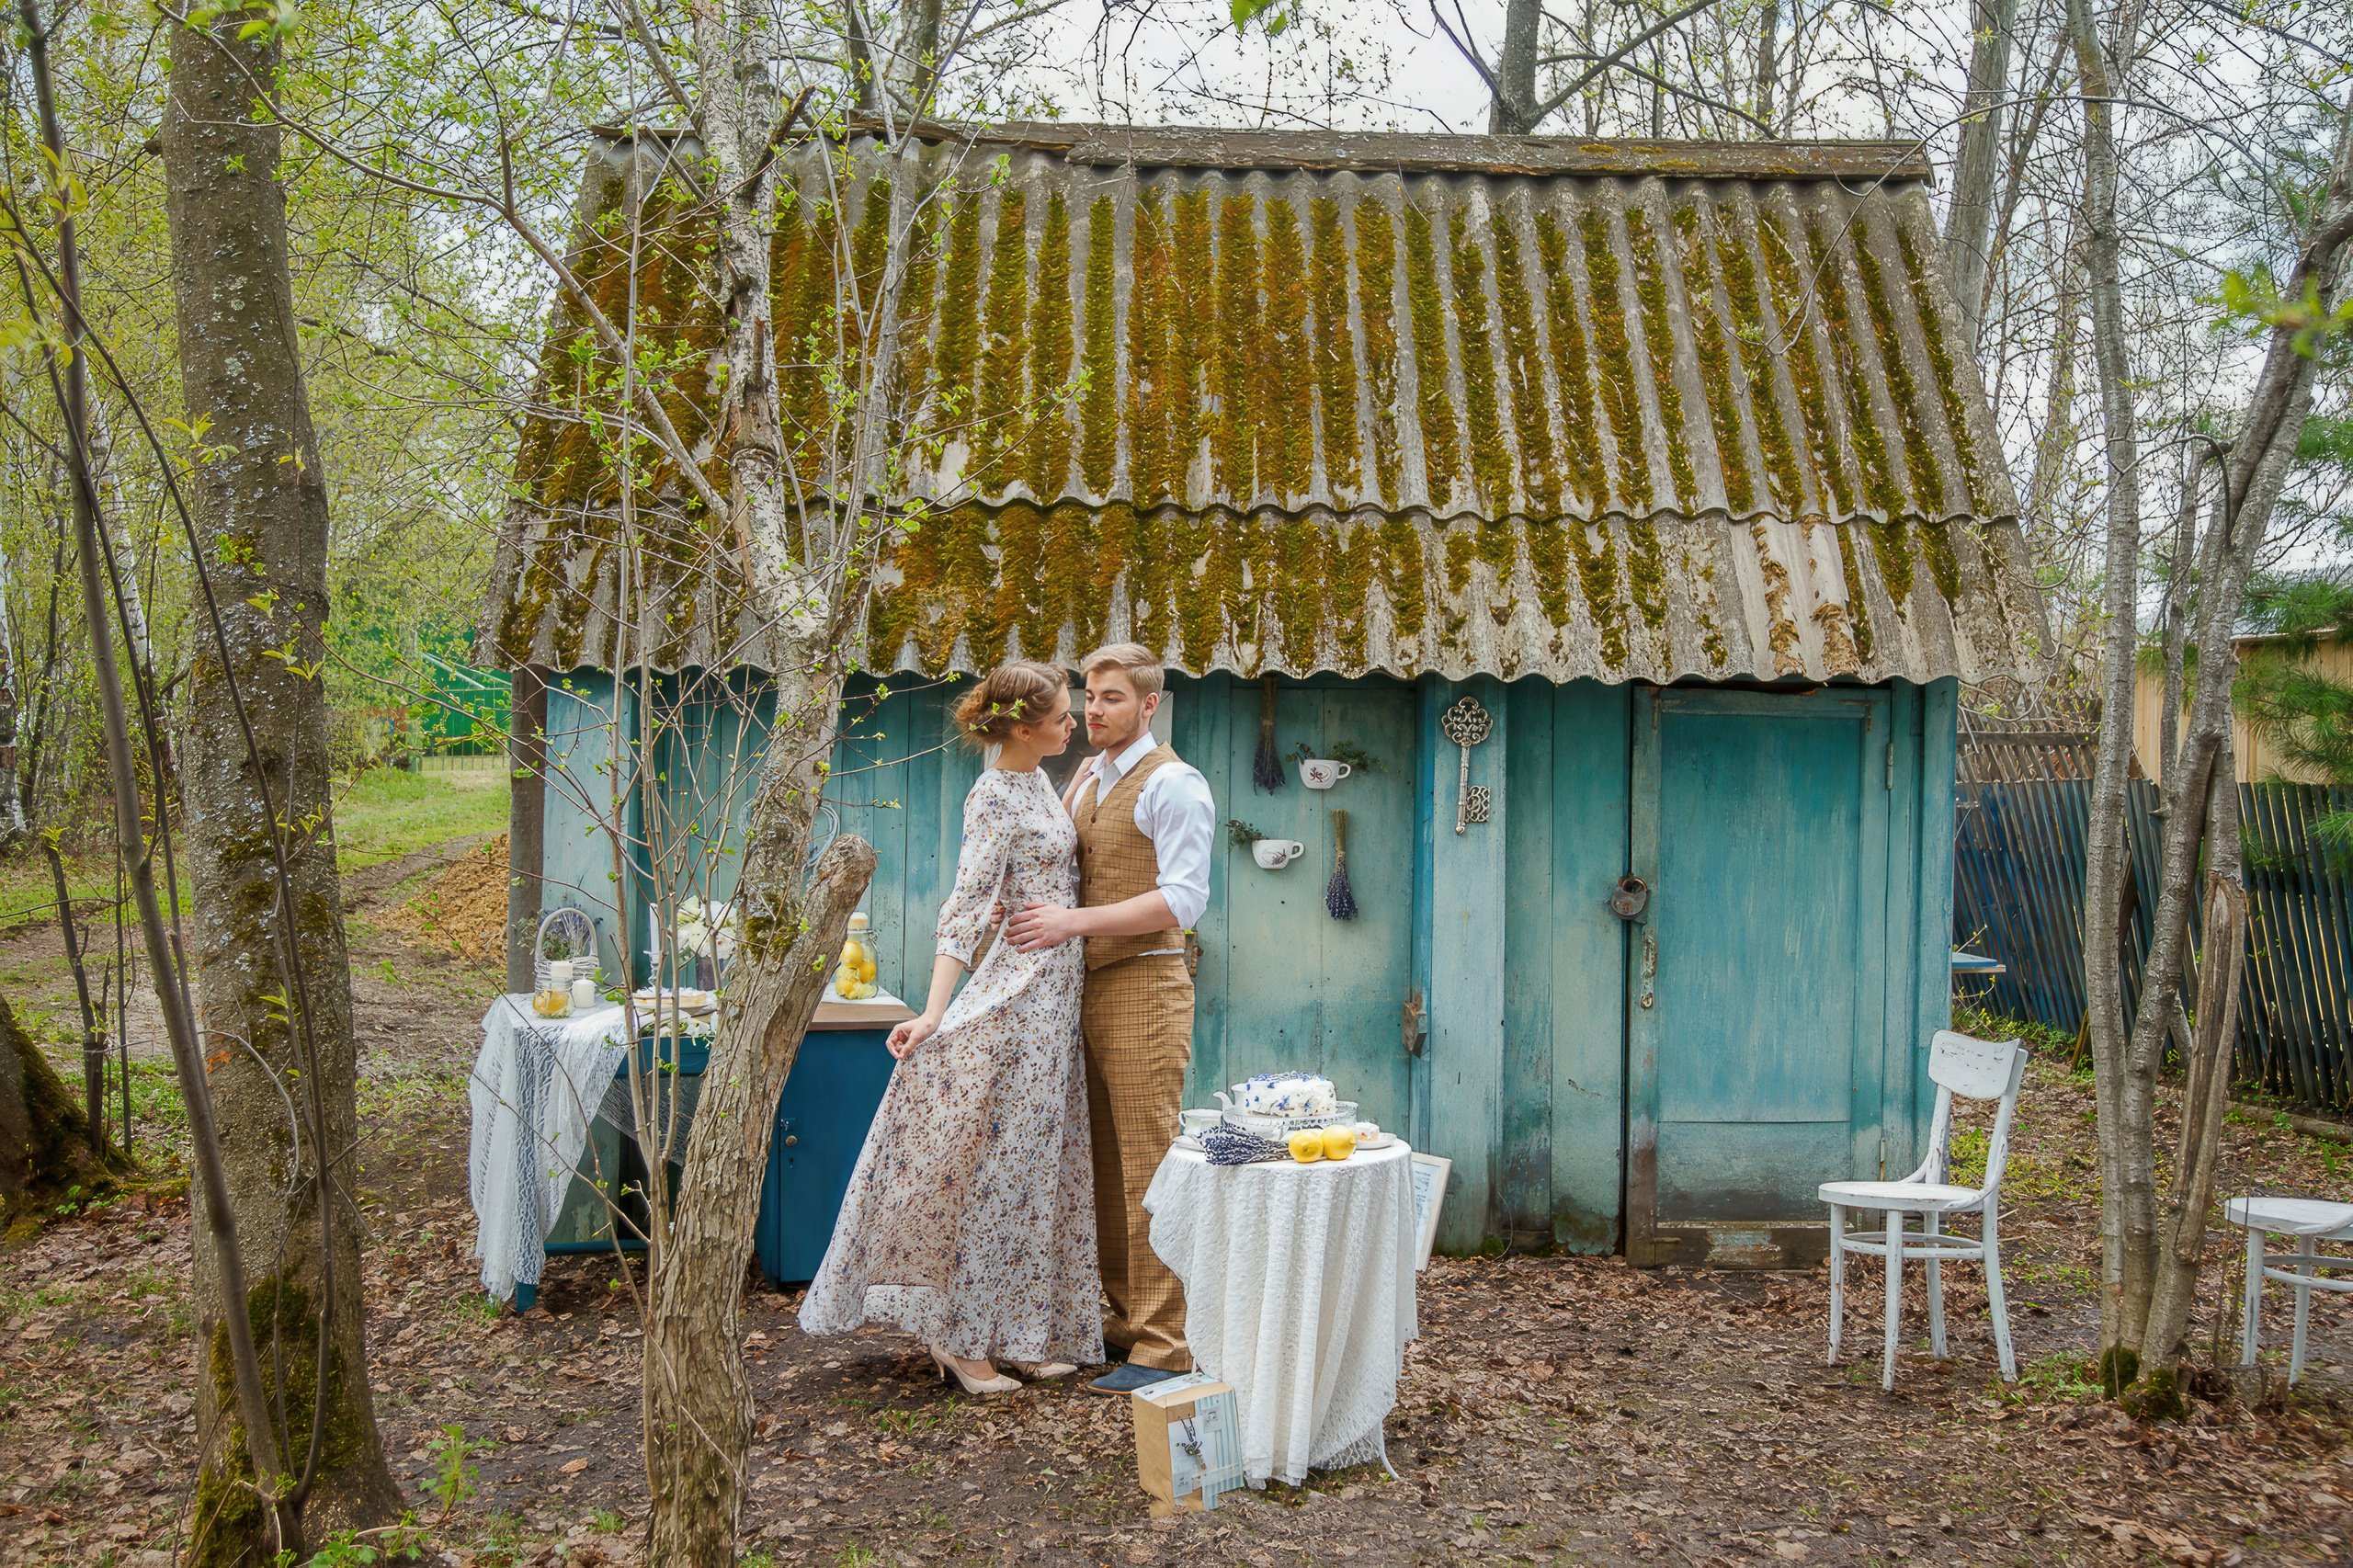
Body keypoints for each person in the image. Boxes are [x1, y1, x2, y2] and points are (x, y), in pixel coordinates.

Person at [798, 660, 1103, 1395]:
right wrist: (934, 1011)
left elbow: (1025, 883)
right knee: (997, 1169)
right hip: (1019, 996)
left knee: (1037, 1166)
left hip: (1057, 993)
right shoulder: (995, 793)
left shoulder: (1039, 780)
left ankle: (1018, 1330)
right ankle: (963, 1340)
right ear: (1025, 728)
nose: (1075, 724)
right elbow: (966, 905)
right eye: (1064, 716)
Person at [1006, 642, 1214, 1394]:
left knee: (1149, 1169)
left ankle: (1165, 1345)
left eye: (1113, 698)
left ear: (1150, 704)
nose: (1095, 710)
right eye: (1089, 697)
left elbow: (1183, 901)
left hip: (1145, 986)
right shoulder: (1090, 772)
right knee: (1100, 1168)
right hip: (1082, 991)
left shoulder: (1177, 786)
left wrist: (1071, 922)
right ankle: (1124, 1323)